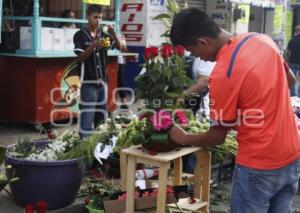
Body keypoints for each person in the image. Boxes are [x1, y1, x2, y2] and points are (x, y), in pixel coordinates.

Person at [169, 8, 299, 212]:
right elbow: (289, 80)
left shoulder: (223, 74)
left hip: (259, 165)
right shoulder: (261, 39)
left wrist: (185, 138)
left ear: (203, 42)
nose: (199, 59)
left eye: (195, 52)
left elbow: (217, 137)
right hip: (292, 155)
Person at [73, 4, 121, 138]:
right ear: (88, 17)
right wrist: (94, 45)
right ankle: (85, 156)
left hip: (102, 84)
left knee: (101, 122)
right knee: (86, 123)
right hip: (88, 84)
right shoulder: (80, 35)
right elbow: (80, 57)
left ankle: (99, 152)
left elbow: (119, 47)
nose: (98, 20)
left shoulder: (103, 34)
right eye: (95, 17)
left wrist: (113, 33)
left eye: (100, 18)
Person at [286, 25, 300, 96]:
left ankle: (293, 96)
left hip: (292, 62)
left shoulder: (291, 40)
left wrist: (286, 61)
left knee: (293, 80)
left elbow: (288, 52)